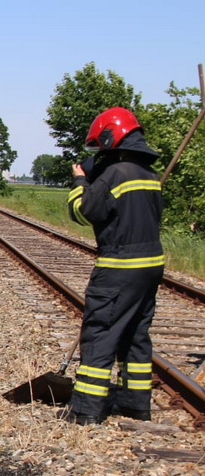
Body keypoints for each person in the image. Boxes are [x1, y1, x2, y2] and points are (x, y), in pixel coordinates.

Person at [62, 107, 164, 425]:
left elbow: (83, 211)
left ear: (110, 138)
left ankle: (86, 409)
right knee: (135, 334)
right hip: (151, 266)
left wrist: (81, 181)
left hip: (120, 266)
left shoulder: (115, 175)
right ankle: (135, 404)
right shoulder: (149, 175)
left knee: (101, 332)